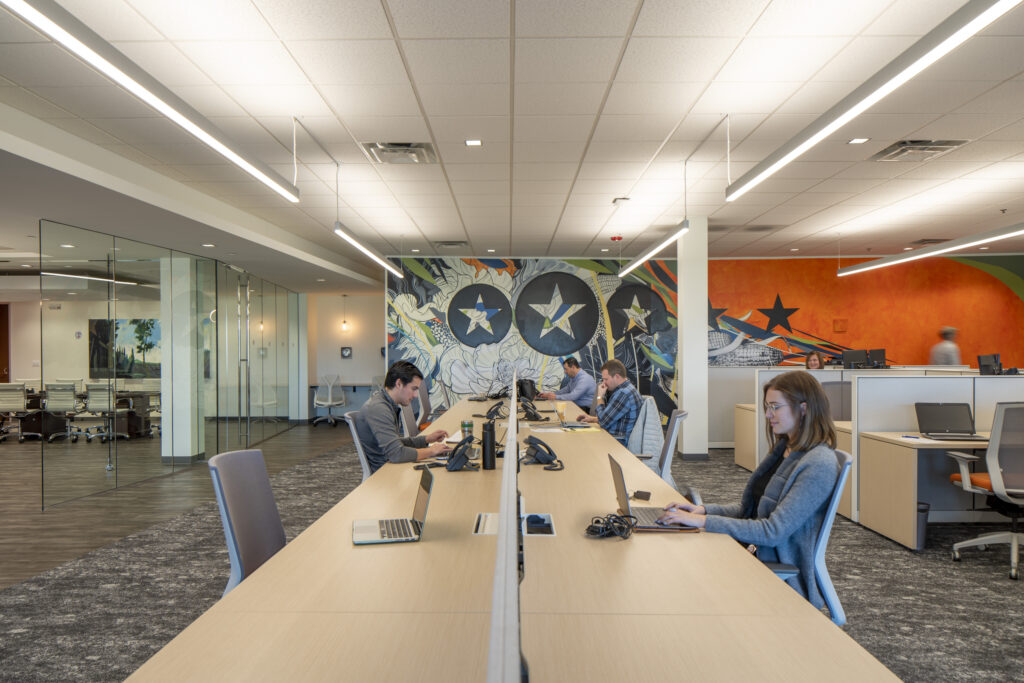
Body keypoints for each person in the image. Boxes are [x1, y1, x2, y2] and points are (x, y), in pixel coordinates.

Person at [658, 370, 841, 608]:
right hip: (754, 551)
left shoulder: (818, 464)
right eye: (767, 407)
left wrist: (703, 523)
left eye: (775, 407)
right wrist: (701, 511)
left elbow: (773, 531)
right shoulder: (786, 449)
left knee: (680, 575)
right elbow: (749, 510)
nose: (767, 414)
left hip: (774, 568)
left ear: (803, 408)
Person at [354, 360, 450, 474]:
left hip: (391, 467)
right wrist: (431, 451)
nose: (415, 395)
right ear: (399, 384)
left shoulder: (386, 404)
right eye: (414, 389)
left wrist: (426, 439)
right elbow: (397, 454)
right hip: (384, 474)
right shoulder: (379, 409)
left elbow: (396, 443)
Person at [576, 359, 641, 446]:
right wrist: (592, 419)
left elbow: (603, 422)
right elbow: (611, 418)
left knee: (580, 440)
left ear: (617, 376)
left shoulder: (623, 394)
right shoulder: (628, 389)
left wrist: (600, 396)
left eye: (606, 379)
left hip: (616, 442)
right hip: (614, 437)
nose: (604, 383)